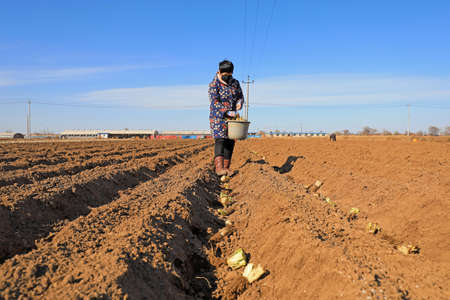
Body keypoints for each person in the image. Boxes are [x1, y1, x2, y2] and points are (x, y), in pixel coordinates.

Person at [208, 60, 244, 176]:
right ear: (219, 72)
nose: (228, 77)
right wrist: (226, 111)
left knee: (230, 141)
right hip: (218, 117)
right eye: (225, 75)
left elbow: (240, 96)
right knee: (220, 140)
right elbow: (214, 102)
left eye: (230, 75)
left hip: (232, 118)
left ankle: (226, 169)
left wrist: (239, 102)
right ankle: (219, 168)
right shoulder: (214, 85)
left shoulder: (235, 83)